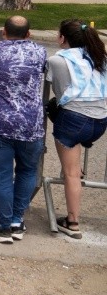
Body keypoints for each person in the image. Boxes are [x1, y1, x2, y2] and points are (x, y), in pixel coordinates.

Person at [0, 16, 47, 243]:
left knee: (2, 175)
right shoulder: (39, 51)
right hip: (30, 124)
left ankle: (4, 225)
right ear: (28, 34)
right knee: (27, 171)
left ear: (3, 32)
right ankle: (17, 220)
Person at [46, 19, 107, 239]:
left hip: (73, 120)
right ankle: (76, 166)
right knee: (73, 165)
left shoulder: (58, 60)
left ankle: (72, 221)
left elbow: (59, 90)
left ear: (63, 38)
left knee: (71, 173)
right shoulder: (100, 56)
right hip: (100, 120)